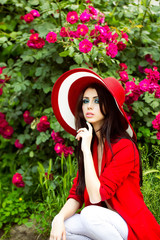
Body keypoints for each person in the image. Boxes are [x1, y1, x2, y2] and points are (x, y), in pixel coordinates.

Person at [50, 68, 160, 240]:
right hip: (106, 227)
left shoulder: (125, 147)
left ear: (109, 106)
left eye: (97, 100)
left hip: (132, 227)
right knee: (66, 225)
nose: (89, 106)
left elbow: (96, 196)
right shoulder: (92, 146)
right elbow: (77, 193)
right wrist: (58, 219)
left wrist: (85, 149)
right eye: (86, 101)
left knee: (90, 214)